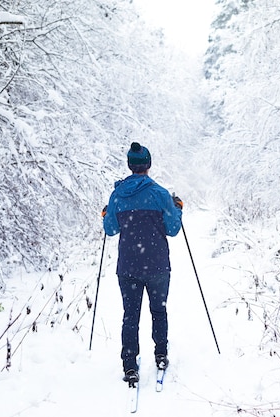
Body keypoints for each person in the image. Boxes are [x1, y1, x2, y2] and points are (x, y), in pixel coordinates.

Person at [102, 142, 183, 384]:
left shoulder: (117, 195)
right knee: (159, 311)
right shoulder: (160, 194)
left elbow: (111, 230)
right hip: (157, 265)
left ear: (129, 165)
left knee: (131, 315)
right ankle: (160, 355)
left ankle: (129, 365)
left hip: (128, 267)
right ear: (148, 165)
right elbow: (173, 229)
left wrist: (107, 214)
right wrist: (177, 209)